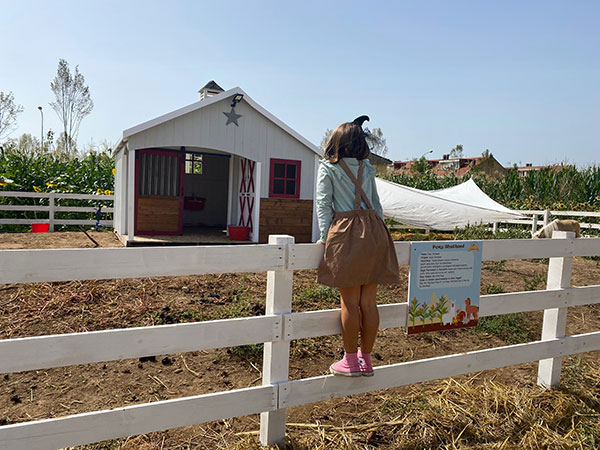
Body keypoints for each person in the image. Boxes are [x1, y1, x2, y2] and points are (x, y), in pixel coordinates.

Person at [316, 116, 400, 377]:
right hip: (373, 231)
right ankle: (367, 360)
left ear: (336, 142)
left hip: (345, 231)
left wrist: (324, 236)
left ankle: (350, 362)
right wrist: (378, 233)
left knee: (349, 303)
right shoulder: (367, 168)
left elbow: (323, 205)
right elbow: (376, 205)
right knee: (368, 303)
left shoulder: (328, 168)